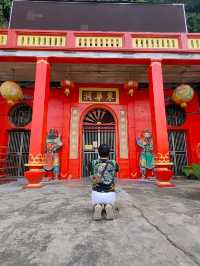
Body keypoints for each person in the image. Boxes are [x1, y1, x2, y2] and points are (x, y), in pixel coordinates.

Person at [89, 144, 119, 220]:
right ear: (109, 153)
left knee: (96, 202)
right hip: (110, 193)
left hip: (96, 193)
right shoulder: (113, 162)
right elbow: (117, 170)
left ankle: (98, 206)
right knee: (109, 203)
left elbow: (91, 173)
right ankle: (108, 206)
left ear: (98, 152)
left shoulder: (93, 162)